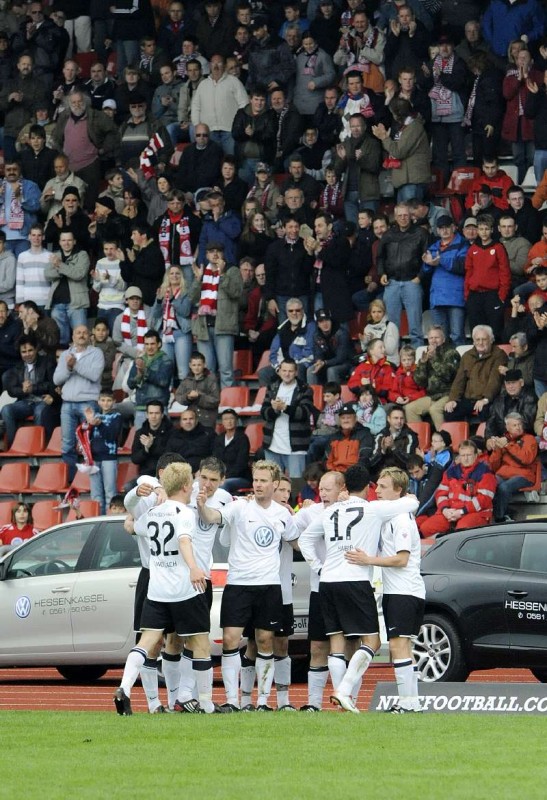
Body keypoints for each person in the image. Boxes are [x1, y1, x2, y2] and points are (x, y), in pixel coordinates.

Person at [299, 463, 418, 713]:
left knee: (336, 643)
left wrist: (319, 566)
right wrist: (410, 496)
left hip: (327, 581)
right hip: (354, 578)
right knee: (372, 642)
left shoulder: (329, 511)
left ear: (344, 486)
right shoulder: (373, 509)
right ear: (368, 487)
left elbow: (305, 539)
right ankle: (345, 693)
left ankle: (343, 698)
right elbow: (411, 504)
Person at [196, 459, 299, 711]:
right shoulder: (239, 507)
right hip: (239, 584)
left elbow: (297, 542)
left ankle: (262, 701)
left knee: (265, 641)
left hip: (269, 586)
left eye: (264, 481)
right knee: (230, 639)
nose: (259, 485)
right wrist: (201, 506)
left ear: (275, 484)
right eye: (256, 480)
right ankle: (233, 700)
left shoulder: (282, 513)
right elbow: (212, 516)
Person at [114, 462, 213, 716]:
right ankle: (206, 704)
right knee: (200, 643)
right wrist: (193, 568)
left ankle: (124, 688)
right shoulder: (184, 512)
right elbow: (183, 540)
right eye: (191, 482)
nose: (194, 486)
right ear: (184, 486)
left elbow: (132, 526)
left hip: (156, 590)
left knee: (147, 641)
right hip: (183, 589)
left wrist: (131, 519)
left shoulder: (153, 513)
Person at [345, 466, 424, 713]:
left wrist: (369, 560)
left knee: (399, 647)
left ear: (398, 490)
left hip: (404, 590)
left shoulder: (400, 520)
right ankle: (413, 704)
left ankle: (406, 705)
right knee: (404, 648)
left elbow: (401, 559)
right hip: (400, 590)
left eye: (383, 486)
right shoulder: (392, 516)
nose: (377, 490)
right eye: (377, 485)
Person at [51, 91, 120, 210]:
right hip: (69, 166)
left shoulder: (97, 116)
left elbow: (113, 132)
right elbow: (56, 136)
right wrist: (61, 151)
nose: (77, 104)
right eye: (73, 102)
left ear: (85, 102)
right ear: (69, 103)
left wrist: (103, 149)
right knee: (70, 200)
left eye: (79, 101)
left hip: (90, 164)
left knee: (89, 201)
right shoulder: (64, 116)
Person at [53, 325, 105, 481]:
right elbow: (57, 379)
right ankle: (71, 481)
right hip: (67, 403)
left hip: (88, 403)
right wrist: (68, 368)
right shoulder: (65, 355)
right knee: (67, 445)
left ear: (90, 335)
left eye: (84, 332)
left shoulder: (96, 353)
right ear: (73, 336)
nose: (81, 335)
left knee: (88, 443)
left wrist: (75, 365)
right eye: (78, 332)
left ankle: (88, 480)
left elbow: (94, 375)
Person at [190, 243, 243, 388]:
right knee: (207, 370)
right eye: (211, 252)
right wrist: (198, 280)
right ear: (206, 255)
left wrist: (222, 274)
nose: (215, 254)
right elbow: (192, 299)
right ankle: (210, 402)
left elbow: (236, 293)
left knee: (226, 369)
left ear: (223, 254)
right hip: (204, 327)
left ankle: (227, 405)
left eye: (218, 251)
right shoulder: (202, 273)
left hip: (223, 327)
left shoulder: (232, 271)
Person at [376, 203, 429, 350]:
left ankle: (417, 359)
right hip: (392, 283)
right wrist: (382, 274)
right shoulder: (388, 235)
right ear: (395, 216)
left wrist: (420, 276)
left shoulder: (421, 233)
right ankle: (394, 362)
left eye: (405, 215)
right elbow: (380, 257)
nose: (403, 218)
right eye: (399, 215)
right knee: (392, 329)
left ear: (411, 216)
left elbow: (428, 257)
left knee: (415, 327)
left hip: (412, 282)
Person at [420, 439, 497, 537]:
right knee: (426, 528)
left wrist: (461, 511)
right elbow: (440, 494)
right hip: (450, 512)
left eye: (469, 455)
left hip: (476, 513)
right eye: (463, 455)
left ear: (476, 455)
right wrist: (445, 510)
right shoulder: (450, 472)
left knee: (461, 532)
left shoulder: (485, 473)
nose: (466, 459)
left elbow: (484, 500)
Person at [1, 334, 59, 447]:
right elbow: (12, 390)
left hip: (43, 400)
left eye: (30, 350)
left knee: (40, 412)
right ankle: (13, 446)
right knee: (6, 410)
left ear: (36, 349)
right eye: (24, 352)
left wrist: (34, 388)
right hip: (25, 402)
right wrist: (22, 390)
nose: (27, 354)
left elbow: (53, 384)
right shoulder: (18, 367)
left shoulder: (47, 362)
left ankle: (38, 446)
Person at [261, 357, 315, 478]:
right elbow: (263, 413)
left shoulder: (305, 389)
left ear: (296, 372)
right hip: (272, 445)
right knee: (272, 484)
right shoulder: (272, 387)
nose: (287, 374)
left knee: (297, 485)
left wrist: (285, 407)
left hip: (296, 446)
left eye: (290, 371)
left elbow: (305, 413)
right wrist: (274, 410)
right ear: (279, 371)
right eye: (284, 370)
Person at [372, 96, 431, 202]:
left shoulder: (414, 127)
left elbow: (399, 152)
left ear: (398, 114)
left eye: (392, 113)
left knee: (410, 215)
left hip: (412, 181)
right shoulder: (406, 127)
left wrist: (384, 138)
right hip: (405, 180)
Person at [421, 215, 469, 346]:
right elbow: (425, 272)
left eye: (447, 227)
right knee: (439, 338)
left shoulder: (463, 243)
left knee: (457, 336)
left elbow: (462, 266)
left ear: (453, 227)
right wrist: (427, 263)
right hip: (437, 298)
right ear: (437, 230)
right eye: (441, 228)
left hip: (456, 298)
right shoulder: (434, 246)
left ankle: (460, 365)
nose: (445, 231)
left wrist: (440, 260)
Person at [444, 324, 507, 422]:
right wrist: (452, 399)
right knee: (449, 411)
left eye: (484, 339)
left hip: (488, 398)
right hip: (468, 399)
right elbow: (459, 380)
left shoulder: (499, 355)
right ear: (473, 341)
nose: (480, 342)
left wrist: (486, 399)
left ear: (491, 340)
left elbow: (495, 380)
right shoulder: (467, 355)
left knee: (486, 411)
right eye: (477, 340)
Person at [464, 214, 512, 342]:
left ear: (491, 230)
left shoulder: (498, 248)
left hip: (493, 295)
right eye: (481, 229)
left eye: (486, 229)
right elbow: (468, 272)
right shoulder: (472, 249)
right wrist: (467, 295)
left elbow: (505, 273)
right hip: (475, 296)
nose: (483, 232)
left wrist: (501, 296)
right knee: (476, 332)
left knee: (495, 332)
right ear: (477, 230)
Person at [405, 325, 460, 431]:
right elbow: (419, 381)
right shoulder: (427, 354)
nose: (433, 340)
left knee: (434, 410)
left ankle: (444, 441)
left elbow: (447, 376)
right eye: (431, 338)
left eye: (437, 337)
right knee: (410, 408)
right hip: (432, 396)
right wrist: (423, 363)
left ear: (443, 340)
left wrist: (434, 359)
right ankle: (420, 442)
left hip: (449, 394)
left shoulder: (451, 353)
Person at [488, 412, 539, 522]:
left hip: (524, 475)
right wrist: (497, 449)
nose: (518, 428)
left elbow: (526, 459)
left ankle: (500, 518)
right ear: (507, 427)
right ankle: (495, 514)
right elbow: (493, 467)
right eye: (515, 425)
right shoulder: (503, 440)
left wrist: (507, 445)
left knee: (504, 488)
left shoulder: (529, 439)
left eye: (520, 425)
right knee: (489, 483)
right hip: (503, 474)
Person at [333, 113, 382, 224]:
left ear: (364, 126)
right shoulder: (345, 144)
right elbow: (337, 171)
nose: (355, 129)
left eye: (358, 126)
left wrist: (361, 159)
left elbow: (375, 167)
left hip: (368, 193)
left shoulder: (373, 143)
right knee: (352, 228)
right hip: (349, 193)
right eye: (353, 126)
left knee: (370, 226)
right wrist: (342, 159)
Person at [44, 230, 90, 347]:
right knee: (61, 341)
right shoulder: (55, 255)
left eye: (69, 240)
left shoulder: (82, 255)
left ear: (74, 241)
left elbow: (78, 274)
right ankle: (65, 362)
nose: (66, 243)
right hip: (57, 304)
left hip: (77, 304)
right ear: (59, 242)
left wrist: (59, 265)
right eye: (63, 240)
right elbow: (47, 274)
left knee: (81, 339)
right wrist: (65, 270)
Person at [150, 264, 194, 383]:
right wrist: (159, 300)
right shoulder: (163, 291)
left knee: (183, 371)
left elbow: (185, 311)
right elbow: (155, 314)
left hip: (181, 333)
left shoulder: (186, 292)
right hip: (165, 334)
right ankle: (167, 397)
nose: (174, 276)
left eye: (177, 273)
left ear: (182, 277)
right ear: (167, 276)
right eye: (172, 273)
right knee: (165, 369)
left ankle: (184, 399)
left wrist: (174, 299)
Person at [83, 391, 123, 515]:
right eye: (103, 400)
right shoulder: (93, 417)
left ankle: (110, 520)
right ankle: (98, 520)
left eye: (109, 400)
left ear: (114, 402)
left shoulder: (116, 416)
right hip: (93, 458)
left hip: (109, 458)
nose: (106, 403)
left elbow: (111, 435)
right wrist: (88, 425)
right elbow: (86, 437)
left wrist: (99, 425)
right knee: (96, 494)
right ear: (98, 401)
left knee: (110, 492)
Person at [127, 329, 173, 429]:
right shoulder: (140, 360)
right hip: (141, 408)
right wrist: (139, 376)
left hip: (158, 409)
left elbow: (163, 381)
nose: (149, 347)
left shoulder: (166, 360)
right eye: (146, 344)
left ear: (159, 344)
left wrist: (145, 371)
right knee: (140, 441)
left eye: (152, 344)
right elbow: (130, 384)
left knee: (161, 443)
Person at [485, 369, 537, 446]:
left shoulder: (530, 397)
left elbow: (526, 423)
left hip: (521, 441)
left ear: (521, 383)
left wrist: (507, 438)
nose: (511, 386)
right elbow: (491, 422)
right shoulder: (499, 399)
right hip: (500, 440)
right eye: (508, 383)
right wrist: (489, 439)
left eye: (513, 383)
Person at [0, 160, 41, 257]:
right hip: (2, 238)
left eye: (14, 169)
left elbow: (36, 207)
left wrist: (20, 198)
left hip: (24, 237)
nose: (11, 172)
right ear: (4, 171)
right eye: (8, 169)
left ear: (20, 170)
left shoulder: (30, 186)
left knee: (24, 269)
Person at [119, 223, 166, 308]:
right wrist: (123, 262)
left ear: (144, 235)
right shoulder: (135, 252)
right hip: (135, 299)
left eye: (134, 234)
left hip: (148, 301)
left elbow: (153, 273)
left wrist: (134, 261)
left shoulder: (154, 251)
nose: (131, 237)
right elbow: (128, 277)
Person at [174, 351, 220, 429]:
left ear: (204, 365)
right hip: (192, 420)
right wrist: (188, 397)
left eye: (199, 365)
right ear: (190, 365)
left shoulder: (211, 379)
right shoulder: (187, 380)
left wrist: (199, 396)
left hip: (207, 419)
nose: (196, 367)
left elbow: (215, 400)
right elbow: (178, 396)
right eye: (194, 365)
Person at [307, 308, 352, 386]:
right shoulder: (316, 335)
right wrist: (318, 361)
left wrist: (324, 363)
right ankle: (311, 396)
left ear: (331, 320)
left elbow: (341, 358)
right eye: (321, 321)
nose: (325, 324)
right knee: (311, 369)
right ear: (317, 324)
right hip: (327, 363)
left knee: (331, 370)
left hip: (346, 363)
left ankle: (333, 395)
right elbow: (317, 353)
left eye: (327, 320)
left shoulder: (341, 333)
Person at [370, 404, 419, 476]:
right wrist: (382, 451)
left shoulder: (410, 436)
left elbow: (409, 462)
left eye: (401, 418)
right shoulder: (380, 436)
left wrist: (394, 448)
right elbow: (372, 463)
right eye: (396, 418)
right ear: (388, 419)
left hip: (401, 474)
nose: (399, 421)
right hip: (383, 474)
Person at [324, 403, 374, 472]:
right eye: (343, 418)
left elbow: (365, 458)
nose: (345, 420)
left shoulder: (364, 434)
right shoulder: (334, 437)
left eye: (349, 417)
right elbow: (328, 459)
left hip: (354, 473)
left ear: (355, 419)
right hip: (335, 473)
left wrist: (352, 473)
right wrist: (332, 472)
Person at [131, 400, 174, 479]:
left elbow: (170, 456)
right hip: (145, 475)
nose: (153, 416)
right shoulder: (140, 433)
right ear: (146, 415)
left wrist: (152, 446)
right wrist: (146, 449)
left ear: (162, 415)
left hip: (166, 475)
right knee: (128, 487)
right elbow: (134, 459)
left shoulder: (171, 432)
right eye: (151, 413)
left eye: (157, 413)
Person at [212, 409, 251, 494]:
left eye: (231, 418)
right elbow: (215, 460)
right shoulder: (219, 439)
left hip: (240, 477)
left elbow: (241, 464)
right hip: (221, 477)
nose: (229, 421)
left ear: (236, 421)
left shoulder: (242, 438)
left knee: (223, 484)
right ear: (222, 422)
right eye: (225, 419)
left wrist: (224, 477)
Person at [165, 407, 215, 474]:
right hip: (179, 474)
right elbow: (168, 458)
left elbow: (215, 456)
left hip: (203, 474)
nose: (188, 421)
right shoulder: (174, 436)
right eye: (185, 419)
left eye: (191, 419)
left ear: (196, 420)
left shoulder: (208, 433)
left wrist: (205, 470)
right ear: (181, 422)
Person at [14, 224, 51, 311]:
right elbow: (19, 282)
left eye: (39, 235)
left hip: (45, 301)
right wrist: (20, 302)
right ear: (29, 237)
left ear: (43, 237)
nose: (36, 238)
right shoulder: (22, 256)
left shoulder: (50, 256)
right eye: (33, 235)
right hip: (28, 302)